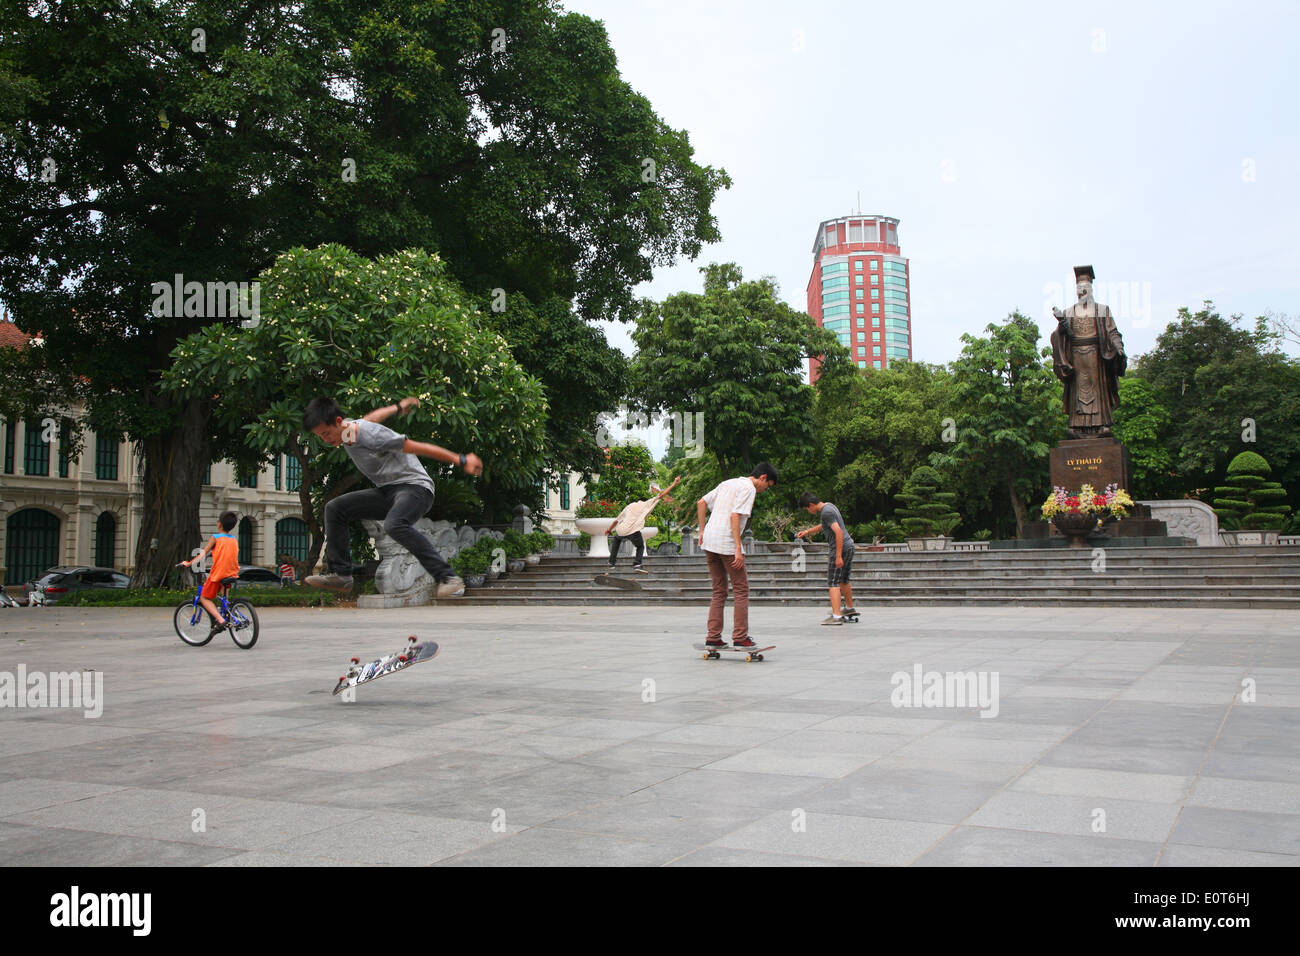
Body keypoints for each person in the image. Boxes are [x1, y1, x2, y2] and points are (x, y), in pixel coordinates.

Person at [301, 396, 483, 598]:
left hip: (416, 488)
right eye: (320, 437)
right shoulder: (351, 429)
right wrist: (397, 407)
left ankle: (448, 577)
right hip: (389, 491)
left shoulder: (370, 436)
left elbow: (415, 446)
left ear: (338, 422)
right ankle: (342, 576)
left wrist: (461, 459)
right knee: (335, 508)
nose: (326, 440)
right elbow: (372, 417)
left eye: (326, 433)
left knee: (394, 524)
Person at [696, 463, 778, 649]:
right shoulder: (749, 489)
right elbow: (735, 516)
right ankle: (740, 637)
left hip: (709, 541)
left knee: (719, 590)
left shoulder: (728, 483)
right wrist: (738, 548)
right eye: (768, 486)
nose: (766, 490)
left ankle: (713, 636)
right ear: (763, 477)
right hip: (726, 543)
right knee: (741, 589)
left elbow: (701, 503)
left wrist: (701, 531)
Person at [796, 493, 857, 625]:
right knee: (844, 579)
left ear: (811, 505)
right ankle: (849, 608)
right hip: (849, 545)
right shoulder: (829, 506)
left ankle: (836, 616)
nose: (808, 511)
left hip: (840, 548)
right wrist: (807, 532)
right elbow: (825, 526)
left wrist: (838, 555)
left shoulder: (826, 512)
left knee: (833, 582)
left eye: (807, 509)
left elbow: (838, 532)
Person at [181, 510, 241, 637]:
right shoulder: (234, 539)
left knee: (204, 598)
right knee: (224, 599)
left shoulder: (216, 537)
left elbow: (203, 553)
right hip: (232, 572)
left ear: (219, 524)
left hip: (218, 573)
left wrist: (189, 563)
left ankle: (221, 620)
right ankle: (226, 614)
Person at [604, 475, 681, 574]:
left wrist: (609, 530)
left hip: (622, 529)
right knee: (640, 547)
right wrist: (674, 483)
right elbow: (662, 495)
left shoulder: (629, 506)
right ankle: (637, 564)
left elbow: (616, 521)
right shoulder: (647, 503)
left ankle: (611, 563)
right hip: (633, 531)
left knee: (616, 540)